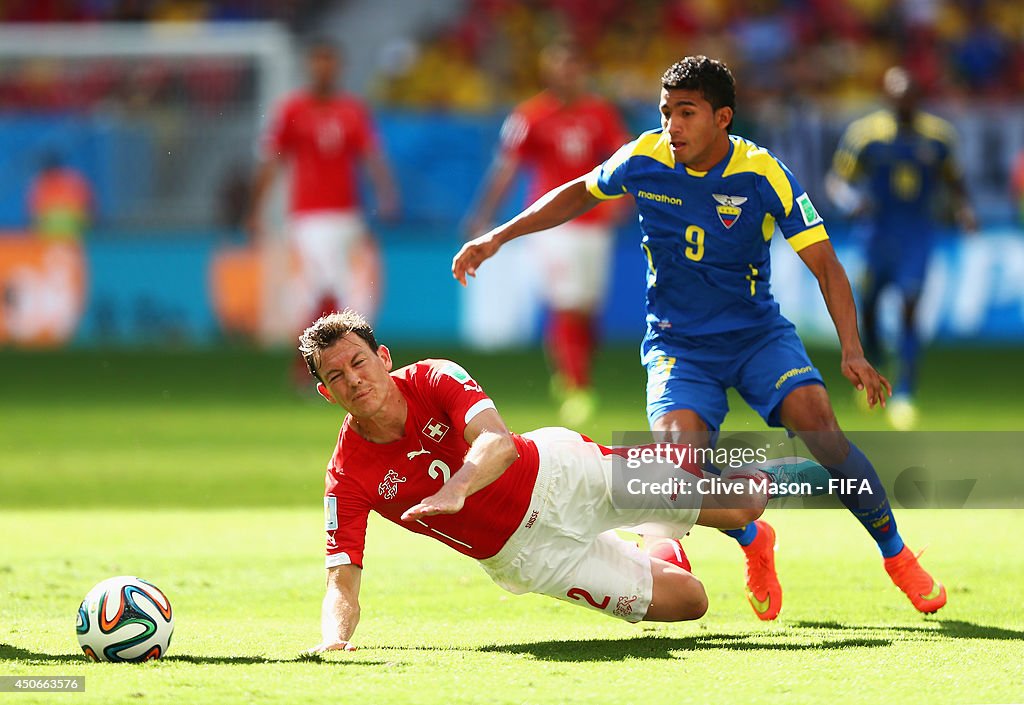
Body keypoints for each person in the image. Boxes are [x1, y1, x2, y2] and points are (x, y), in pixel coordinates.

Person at [453, 55, 946, 620]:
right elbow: (578, 192)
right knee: (677, 471)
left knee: (821, 428)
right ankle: (752, 535)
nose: (672, 127)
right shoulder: (644, 157)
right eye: (666, 113)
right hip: (679, 346)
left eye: (686, 113)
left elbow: (828, 267)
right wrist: (498, 235)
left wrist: (853, 352)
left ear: (723, 118)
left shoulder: (763, 173)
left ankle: (897, 555)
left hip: (757, 336)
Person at [298, 309, 825, 653]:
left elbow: (498, 442)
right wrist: (333, 643)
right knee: (691, 604)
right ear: (326, 393)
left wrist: (457, 486)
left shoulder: (434, 376)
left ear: (383, 358)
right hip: (531, 559)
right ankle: (658, 528)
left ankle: (791, 466)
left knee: (742, 508)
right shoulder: (346, 475)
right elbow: (341, 579)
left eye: (359, 362)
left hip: (564, 476)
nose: (354, 380)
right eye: (336, 376)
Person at [463, 40, 630, 426]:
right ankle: (575, 385)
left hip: (594, 223)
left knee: (588, 310)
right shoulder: (531, 115)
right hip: (552, 226)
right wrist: (483, 214)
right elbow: (506, 169)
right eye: (561, 67)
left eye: (573, 67)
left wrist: (623, 200)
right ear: (549, 72)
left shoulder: (600, 113)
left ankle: (574, 371)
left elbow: (622, 159)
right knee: (567, 304)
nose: (568, 74)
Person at [826, 66, 977, 430]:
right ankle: (871, 374)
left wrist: (964, 210)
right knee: (872, 312)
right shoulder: (866, 136)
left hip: (916, 235)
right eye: (897, 96)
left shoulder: (938, 138)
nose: (903, 102)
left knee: (911, 307)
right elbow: (837, 180)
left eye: (909, 96)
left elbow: (955, 181)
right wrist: (850, 202)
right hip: (876, 235)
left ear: (918, 99)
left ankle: (906, 392)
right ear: (887, 98)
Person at [247, 38, 399, 335]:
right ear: (309, 66)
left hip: (347, 214)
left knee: (343, 289)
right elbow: (272, 161)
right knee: (320, 286)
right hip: (308, 215)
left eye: (329, 62)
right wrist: (256, 208)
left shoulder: (353, 111)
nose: (323, 69)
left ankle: (321, 359)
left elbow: (372, 157)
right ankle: (310, 359)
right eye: (318, 61)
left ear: (339, 68)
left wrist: (386, 195)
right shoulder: (291, 111)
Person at [28, 152, 93, 241]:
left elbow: (88, 207)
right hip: (51, 236)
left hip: (72, 234)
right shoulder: (40, 184)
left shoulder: (72, 181)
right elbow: (34, 213)